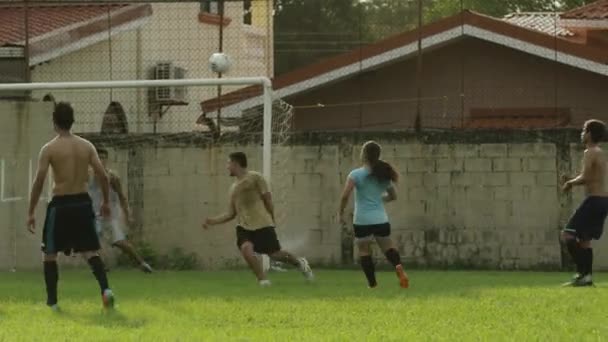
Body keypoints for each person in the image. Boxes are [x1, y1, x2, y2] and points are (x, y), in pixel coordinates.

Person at [27, 102, 115, 310]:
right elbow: (103, 175)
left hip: (61, 205)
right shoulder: (87, 146)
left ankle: (53, 303)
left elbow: (39, 181)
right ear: (72, 121)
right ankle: (106, 290)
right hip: (83, 203)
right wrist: (105, 201)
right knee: (90, 251)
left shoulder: (49, 149)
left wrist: (31, 211)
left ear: (54, 122)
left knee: (49, 253)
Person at [203, 152, 314, 286]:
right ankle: (263, 280)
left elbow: (267, 198)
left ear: (235, 163)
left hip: (262, 223)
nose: (227, 167)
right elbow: (231, 214)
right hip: (243, 226)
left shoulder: (255, 177)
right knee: (246, 248)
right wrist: (212, 221)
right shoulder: (232, 188)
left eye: (228, 163)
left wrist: (271, 217)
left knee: (274, 254)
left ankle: (299, 262)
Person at [339, 141, 409, 289]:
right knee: (388, 247)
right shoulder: (383, 174)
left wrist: (340, 213)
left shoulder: (355, 174)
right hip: (380, 219)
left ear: (363, 154)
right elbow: (393, 196)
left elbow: (345, 196)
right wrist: (379, 199)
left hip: (362, 220)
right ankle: (398, 267)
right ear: (378, 155)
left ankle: (373, 285)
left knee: (364, 251)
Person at [88, 148, 153, 274]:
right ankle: (101, 267)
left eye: (103, 158)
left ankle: (142, 263)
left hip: (109, 215)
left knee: (120, 242)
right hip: (93, 214)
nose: (101, 160)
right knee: (90, 240)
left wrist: (128, 215)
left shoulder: (112, 177)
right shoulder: (88, 175)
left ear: (107, 160)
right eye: (98, 158)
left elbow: (122, 197)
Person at [561, 119, 608, 287]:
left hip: (594, 200)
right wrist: (573, 180)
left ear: (589, 134)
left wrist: (570, 183)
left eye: (584, 129)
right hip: (603, 201)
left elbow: (586, 177)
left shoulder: (590, 152)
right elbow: (591, 177)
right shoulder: (599, 152)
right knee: (585, 239)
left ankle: (582, 273)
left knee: (567, 235)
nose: (582, 133)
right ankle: (586, 278)